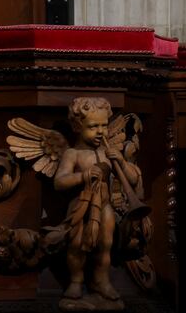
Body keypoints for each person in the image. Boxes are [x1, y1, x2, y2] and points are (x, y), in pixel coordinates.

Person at [53, 97, 139, 302]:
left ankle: (101, 280)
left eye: (104, 125)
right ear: (77, 126)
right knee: (76, 244)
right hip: (81, 205)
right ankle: (76, 280)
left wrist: (121, 161)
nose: (101, 131)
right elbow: (59, 182)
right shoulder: (73, 154)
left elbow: (133, 179)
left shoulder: (109, 153)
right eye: (93, 126)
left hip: (105, 205)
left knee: (105, 243)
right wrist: (82, 176)